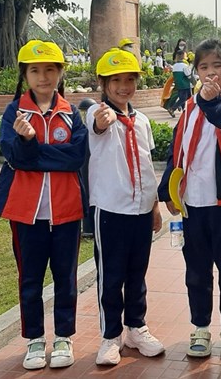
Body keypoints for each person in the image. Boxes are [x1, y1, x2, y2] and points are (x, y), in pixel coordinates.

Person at [0, 40, 87, 371]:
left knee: (66, 277)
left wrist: (34, 151)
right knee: (30, 278)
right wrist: (27, 143)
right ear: (25, 75)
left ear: (60, 73)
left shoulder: (70, 113)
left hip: (66, 209)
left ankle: (63, 337)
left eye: (49, 70)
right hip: (25, 211)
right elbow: (15, 157)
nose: (43, 77)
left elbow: (77, 157)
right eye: (35, 70)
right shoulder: (14, 112)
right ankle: (34, 339)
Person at [156, 39, 221, 360]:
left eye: (217, 67)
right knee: (196, 271)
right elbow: (177, 149)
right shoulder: (190, 108)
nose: (210, 73)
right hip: (193, 204)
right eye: (204, 67)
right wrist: (167, 191)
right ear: (195, 71)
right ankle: (200, 327)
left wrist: (209, 101)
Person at [87, 48, 164, 366]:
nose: (123, 86)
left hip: (141, 211)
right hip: (111, 211)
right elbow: (96, 126)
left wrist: (154, 205)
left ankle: (136, 327)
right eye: (116, 80)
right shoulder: (97, 114)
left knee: (137, 273)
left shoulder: (142, 121)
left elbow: (147, 164)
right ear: (103, 83)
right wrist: (101, 121)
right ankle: (110, 336)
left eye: (129, 79)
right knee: (111, 276)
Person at [169, 49, 193, 116]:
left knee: (185, 98)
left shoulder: (174, 66)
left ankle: (185, 112)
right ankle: (173, 109)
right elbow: (188, 75)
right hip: (185, 85)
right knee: (184, 99)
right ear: (182, 55)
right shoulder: (184, 65)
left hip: (178, 85)